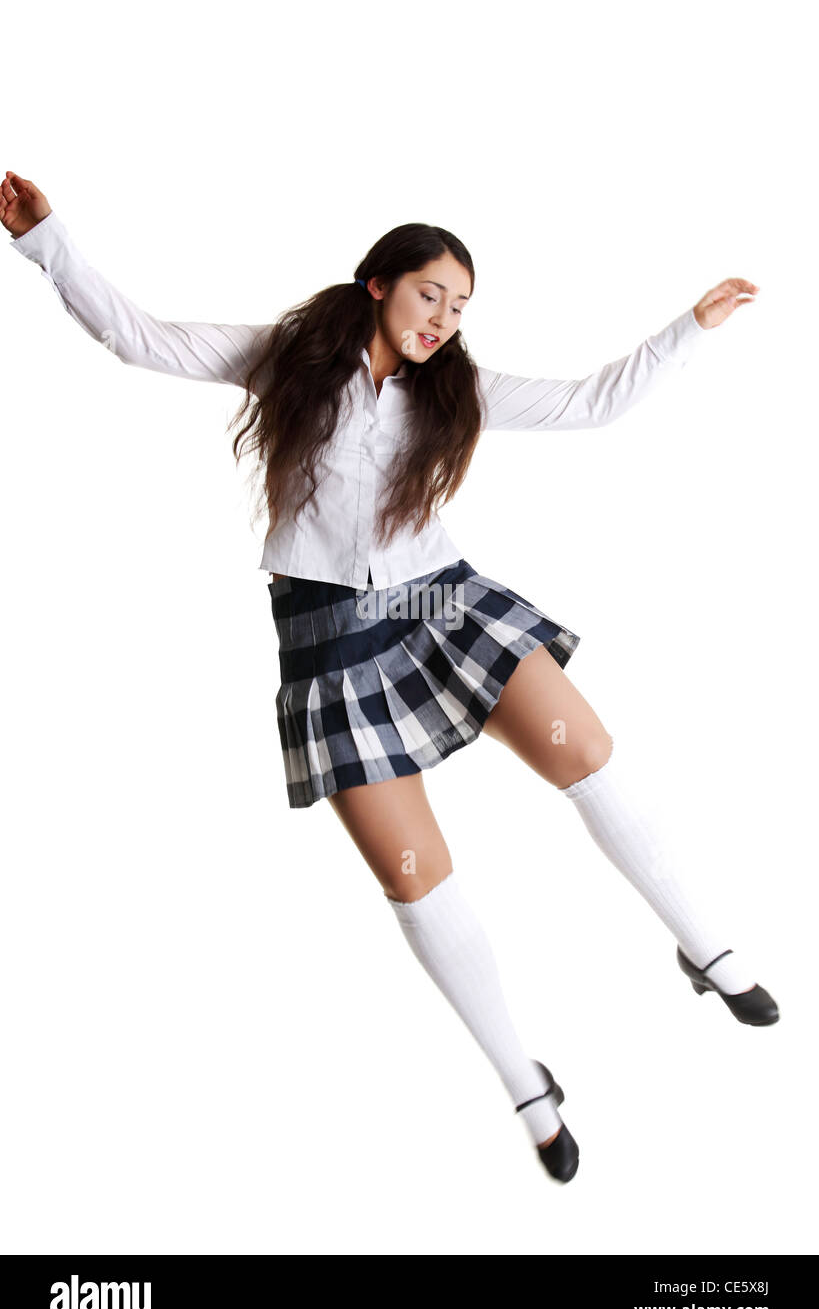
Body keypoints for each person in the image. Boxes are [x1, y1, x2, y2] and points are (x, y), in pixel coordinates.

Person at [2, 169, 779, 1185]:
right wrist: (46, 237)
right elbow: (140, 336)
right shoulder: (285, 360)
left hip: (437, 603)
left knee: (581, 744)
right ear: (377, 283)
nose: (443, 320)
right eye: (430, 296)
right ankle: (524, 1081)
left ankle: (707, 948)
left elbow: (593, 403)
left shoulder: (453, 389)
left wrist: (693, 324)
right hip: (327, 634)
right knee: (413, 872)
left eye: (459, 309)